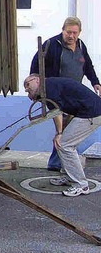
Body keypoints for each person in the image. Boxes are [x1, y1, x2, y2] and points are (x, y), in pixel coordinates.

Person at [30, 17, 101, 171]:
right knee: (62, 131)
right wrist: (35, 88)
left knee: (68, 133)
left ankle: (61, 164)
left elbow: (87, 65)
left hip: (74, 97)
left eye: (75, 33)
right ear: (63, 30)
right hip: (57, 96)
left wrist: (95, 82)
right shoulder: (52, 45)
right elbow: (36, 64)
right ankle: (57, 163)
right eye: (68, 32)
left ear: (79, 33)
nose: (71, 36)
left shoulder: (81, 45)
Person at [24, 74, 101, 197]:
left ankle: (81, 185)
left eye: (28, 84)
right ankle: (69, 176)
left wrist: (59, 133)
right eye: (25, 89)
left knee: (65, 145)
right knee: (62, 143)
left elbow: (56, 112)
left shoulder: (48, 88)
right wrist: (60, 132)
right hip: (86, 111)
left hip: (91, 113)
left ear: (37, 80)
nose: (27, 89)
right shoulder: (50, 85)